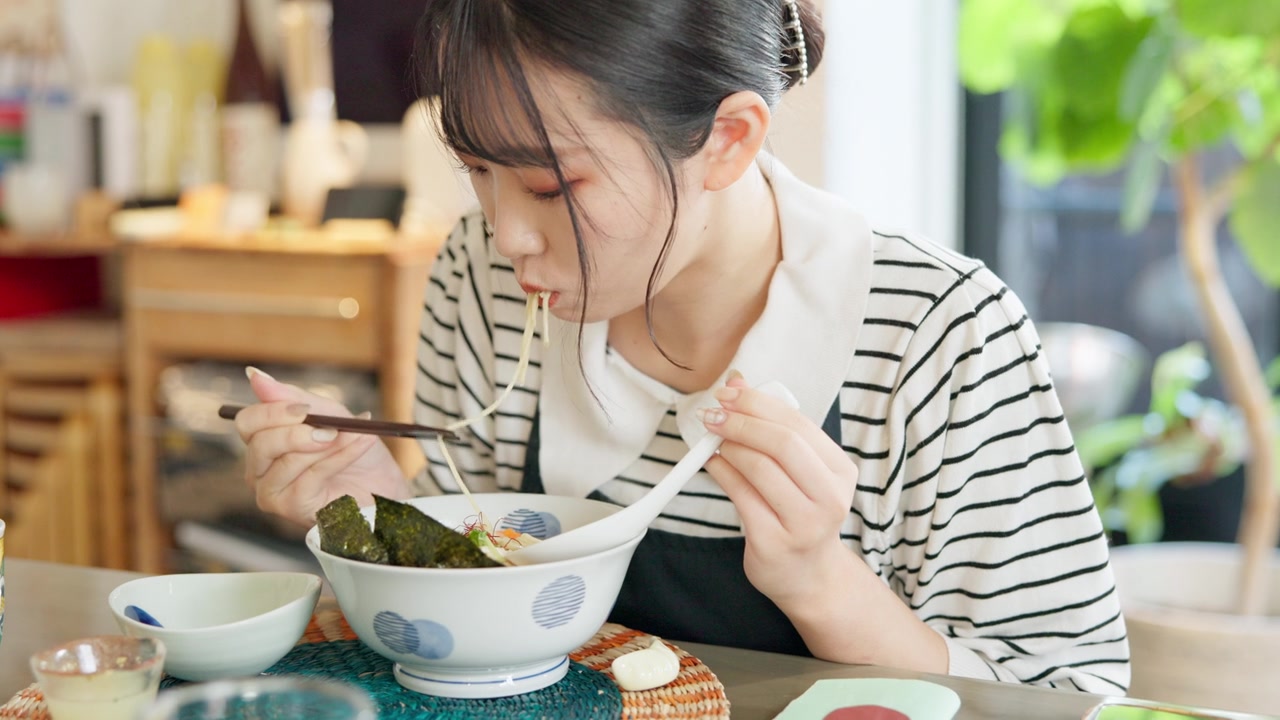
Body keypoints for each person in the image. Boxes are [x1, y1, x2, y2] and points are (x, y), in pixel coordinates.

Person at [235, 0, 1130, 694]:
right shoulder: (478, 272)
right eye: (478, 171)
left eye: (550, 184)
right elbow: (470, 629)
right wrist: (387, 517)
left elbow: (1068, 694)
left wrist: (821, 580)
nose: (506, 232)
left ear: (728, 139)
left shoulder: (939, 333)